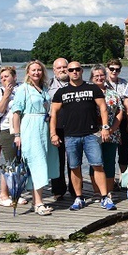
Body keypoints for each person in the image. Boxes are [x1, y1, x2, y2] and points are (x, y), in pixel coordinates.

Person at [50, 61, 116, 212]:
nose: (74, 72)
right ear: (68, 72)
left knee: (97, 165)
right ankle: (78, 197)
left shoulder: (92, 88)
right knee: (74, 167)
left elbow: (103, 107)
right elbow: (53, 113)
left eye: (77, 69)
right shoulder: (61, 92)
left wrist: (105, 127)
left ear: (81, 71)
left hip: (91, 135)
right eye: (71, 70)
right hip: (70, 136)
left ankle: (104, 197)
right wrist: (53, 133)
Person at [11, 61, 59, 216]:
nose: (36, 73)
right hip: (30, 128)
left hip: (43, 127)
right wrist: (17, 135)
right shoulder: (23, 89)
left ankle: (36, 201)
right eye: (33, 70)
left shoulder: (44, 88)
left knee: (42, 163)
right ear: (28, 72)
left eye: (39, 70)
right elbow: (16, 114)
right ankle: (38, 203)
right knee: (35, 163)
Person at [0, 66, 28, 207]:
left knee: (19, 163)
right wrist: (6, 95)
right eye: (1, 77)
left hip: (24, 129)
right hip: (7, 131)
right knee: (10, 163)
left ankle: (16, 192)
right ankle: (3, 194)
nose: (4, 79)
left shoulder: (23, 88)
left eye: (6, 76)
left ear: (14, 77)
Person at [89, 64, 124, 202]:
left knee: (109, 162)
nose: (99, 77)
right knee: (95, 162)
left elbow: (119, 111)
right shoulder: (88, 92)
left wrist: (112, 129)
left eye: (101, 75)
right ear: (92, 77)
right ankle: (97, 191)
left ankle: (109, 190)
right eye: (96, 75)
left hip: (112, 133)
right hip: (93, 133)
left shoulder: (112, 93)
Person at [48, 57, 72, 200]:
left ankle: (75, 190)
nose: (63, 70)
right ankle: (58, 190)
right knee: (57, 160)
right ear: (54, 70)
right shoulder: (48, 84)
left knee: (74, 160)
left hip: (73, 127)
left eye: (65, 67)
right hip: (56, 128)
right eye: (59, 68)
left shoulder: (76, 83)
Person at [105, 58, 128, 175]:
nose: (114, 71)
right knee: (108, 149)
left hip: (123, 120)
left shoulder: (124, 83)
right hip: (108, 120)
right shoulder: (102, 83)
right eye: (112, 69)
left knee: (124, 149)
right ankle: (108, 176)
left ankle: (123, 176)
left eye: (117, 69)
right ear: (107, 69)